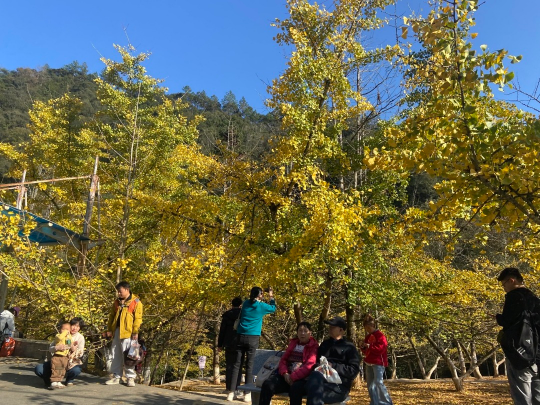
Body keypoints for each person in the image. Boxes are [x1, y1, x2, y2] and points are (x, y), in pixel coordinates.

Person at [496, 267, 540, 404]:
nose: (504, 288)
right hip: (537, 355)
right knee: (538, 396)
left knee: (522, 397)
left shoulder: (514, 297)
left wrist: (498, 318)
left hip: (520, 354)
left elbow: (509, 321)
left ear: (512, 280)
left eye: (504, 284)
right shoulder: (534, 299)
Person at [228, 286, 276, 402]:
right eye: (262, 294)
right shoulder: (261, 306)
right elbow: (273, 308)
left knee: (236, 365)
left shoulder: (245, 303)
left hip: (240, 336)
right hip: (253, 337)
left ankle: (231, 392)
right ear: (259, 295)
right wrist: (271, 296)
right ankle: (247, 394)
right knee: (249, 365)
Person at [299, 316, 360, 405]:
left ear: (341, 330)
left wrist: (333, 366)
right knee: (297, 387)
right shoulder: (324, 344)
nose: (330, 328)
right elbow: (315, 363)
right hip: (319, 382)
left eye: (333, 327)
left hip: (338, 387)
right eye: (329, 326)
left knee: (315, 392)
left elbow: (353, 370)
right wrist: (320, 366)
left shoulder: (349, 347)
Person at [260, 322, 319, 405]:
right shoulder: (293, 344)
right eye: (300, 331)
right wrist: (285, 373)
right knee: (268, 384)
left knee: (295, 389)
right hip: (286, 377)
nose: (302, 333)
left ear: (310, 333)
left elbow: (309, 365)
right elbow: (283, 360)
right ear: (297, 332)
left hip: (302, 379)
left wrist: (293, 377)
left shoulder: (313, 346)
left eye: (305, 331)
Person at [105, 281, 143, 387]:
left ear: (127, 290)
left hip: (128, 332)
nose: (118, 293)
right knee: (115, 353)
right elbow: (111, 316)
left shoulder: (136, 302)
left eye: (120, 291)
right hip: (117, 331)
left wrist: (135, 331)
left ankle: (130, 377)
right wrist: (109, 330)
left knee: (129, 355)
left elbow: (138, 318)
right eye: (118, 291)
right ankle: (117, 376)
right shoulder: (117, 302)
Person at [35, 317, 86, 388]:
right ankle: (50, 381)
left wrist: (74, 350)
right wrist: (56, 348)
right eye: (73, 325)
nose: (75, 328)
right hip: (58, 359)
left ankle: (69, 380)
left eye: (77, 326)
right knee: (39, 369)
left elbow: (81, 353)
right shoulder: (61, 334)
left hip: (70, 362)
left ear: (80, 328)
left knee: (76, 370)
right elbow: (50, 348)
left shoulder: (80, 337)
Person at [360, 314, 393, 405]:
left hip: (378, 362)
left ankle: (387, 402)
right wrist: (363, 347)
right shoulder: (368, 337)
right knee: (370, 384)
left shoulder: (380, 336)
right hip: (369, 362)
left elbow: (381, 349)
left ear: (373, 326)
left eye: (368, 328)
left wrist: (370, 346)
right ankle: (374, 402)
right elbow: (366, 351)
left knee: (378, 382)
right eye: (366, 328)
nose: (367, 330)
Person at [218, 297, 244, 396]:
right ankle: (236, 388)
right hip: (240, 342)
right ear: (240, 305)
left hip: (228, 342)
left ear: (231, 304)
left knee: (229, 365)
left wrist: (220, 344)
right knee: (238, 365)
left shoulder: (227, 315)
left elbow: (222, 331)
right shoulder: (243, 314)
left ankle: (228, 387)